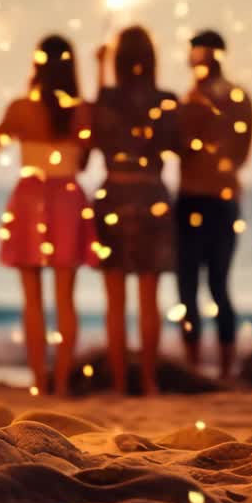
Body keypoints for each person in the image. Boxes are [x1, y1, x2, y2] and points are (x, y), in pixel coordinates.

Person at [0, 35, 99, 396]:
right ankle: (61, 382)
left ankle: (38, 380)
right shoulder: (82, 110)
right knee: (66, 298)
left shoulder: (19, 108)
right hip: (67, 197)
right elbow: (83, 160)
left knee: (31, 300)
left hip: (30, 197)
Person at [89, 25, 180, 395]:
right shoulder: (167, 99)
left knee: (114, 301)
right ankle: (149, 380)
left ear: (119, 61)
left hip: (114, 192)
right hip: (152, 195)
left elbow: (95, 135)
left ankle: (118, 381)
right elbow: (175, 144)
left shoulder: (107, 98)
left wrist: (99, 72)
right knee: (149, 299)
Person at [176, 30, 252, 379]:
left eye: (198, 54)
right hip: (206, 197)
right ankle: (206, 367)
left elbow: (238, 153)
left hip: (211, 197)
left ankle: (217, 368)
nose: (195, 60)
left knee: (209, 286)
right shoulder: (196, 99)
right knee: (194, 287)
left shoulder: (230, 99)